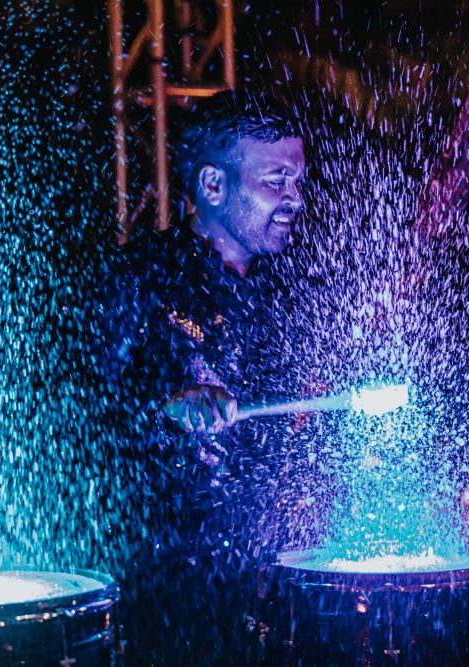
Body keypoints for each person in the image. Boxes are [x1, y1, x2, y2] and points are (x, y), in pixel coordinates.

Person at [101, 90, 305, 665]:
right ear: (212, 187)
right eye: (275, 182)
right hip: (166, 589)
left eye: (298, 183)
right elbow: (81, 409)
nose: (293, 201)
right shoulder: (139, 276)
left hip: (273, 584)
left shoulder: (293, 292)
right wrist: (161, 406)